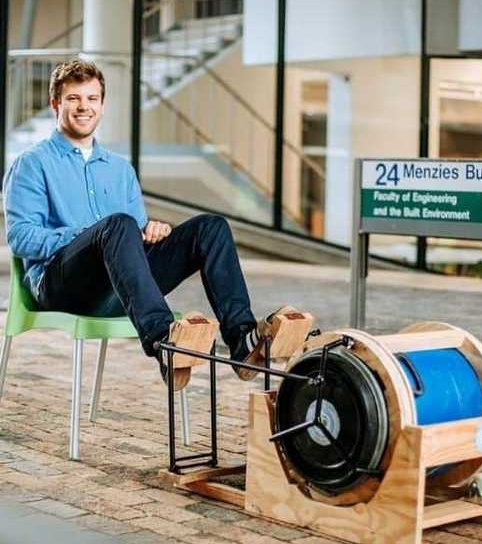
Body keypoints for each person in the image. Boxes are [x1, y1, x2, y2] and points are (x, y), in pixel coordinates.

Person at [3, 59, 281, 384]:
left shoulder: (121, 170)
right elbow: (21, 238)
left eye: (92, 99)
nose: (84, 107)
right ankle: (164, 342)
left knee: (211, 227)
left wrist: (154, 231)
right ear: (56, 104)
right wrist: (88, 235)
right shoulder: (32, 164)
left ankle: (241, 339)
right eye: (73, 98)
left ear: (102, 105)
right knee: (117, 224)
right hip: (61, 286)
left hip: (120, 288)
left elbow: (134, 238)